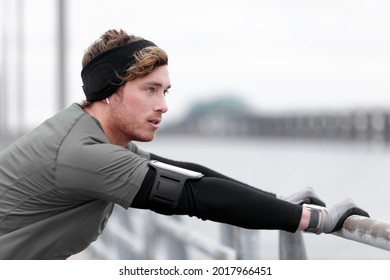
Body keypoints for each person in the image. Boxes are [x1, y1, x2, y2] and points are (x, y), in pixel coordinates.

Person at [0, 29, 369, 260]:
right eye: (150, 90)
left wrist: (276, 203)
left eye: (165, 91)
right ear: (108, 93)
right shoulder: (81, 154)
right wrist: (315, 220)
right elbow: (190, 195)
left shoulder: (90, 135)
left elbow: (185, 174)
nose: (163, 105)